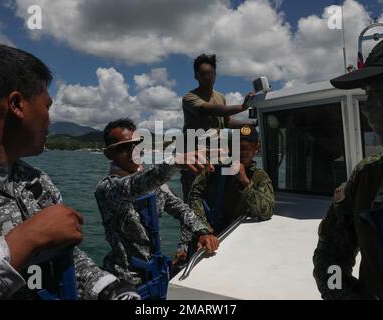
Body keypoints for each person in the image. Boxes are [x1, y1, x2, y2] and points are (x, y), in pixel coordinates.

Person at [0, 45, 138, 300]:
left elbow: (66, 255)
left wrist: (109, 288)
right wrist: (25, 239)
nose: (50, 120)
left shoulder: (36, 181)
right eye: (47, 106)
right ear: (17, 104)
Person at [313, 28, 383, 299]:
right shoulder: (368, 175)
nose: (371, 107)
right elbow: (330, 254)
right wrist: (341, 295)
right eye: (369, 93)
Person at [95, 118, 220, 286]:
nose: (133, 151)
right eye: (124, 147)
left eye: (137, 144)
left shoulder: (155, 185)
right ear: (109, 154)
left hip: (156, 272)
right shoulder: (107, 189)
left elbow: (180, 209)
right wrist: (174, 162)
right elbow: (134, 185)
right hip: (124, 278)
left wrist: (202, 232)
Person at [174, 125, 275, 265]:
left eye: (249, 146)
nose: (244, 151)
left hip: (236, 238)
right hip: (208, 235)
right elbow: (195, 195)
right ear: (232, 147)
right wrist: (204, 230)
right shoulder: (214, 168)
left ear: (257, 147)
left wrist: (245, 182)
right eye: (240, 146)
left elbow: (266, 212)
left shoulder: (260, 177)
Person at [181, 54, 256, 202]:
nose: (207, 77)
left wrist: (249, 125)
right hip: (195, 156)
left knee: (215, 196)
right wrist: (243, 106)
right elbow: (214, 110)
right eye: (203, 74)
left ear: (215, 75)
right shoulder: (189, 97)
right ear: (196, 76)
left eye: (210, 73)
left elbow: (226, 121)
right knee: (195, 199)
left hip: (215, 154)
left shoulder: (220, 96)